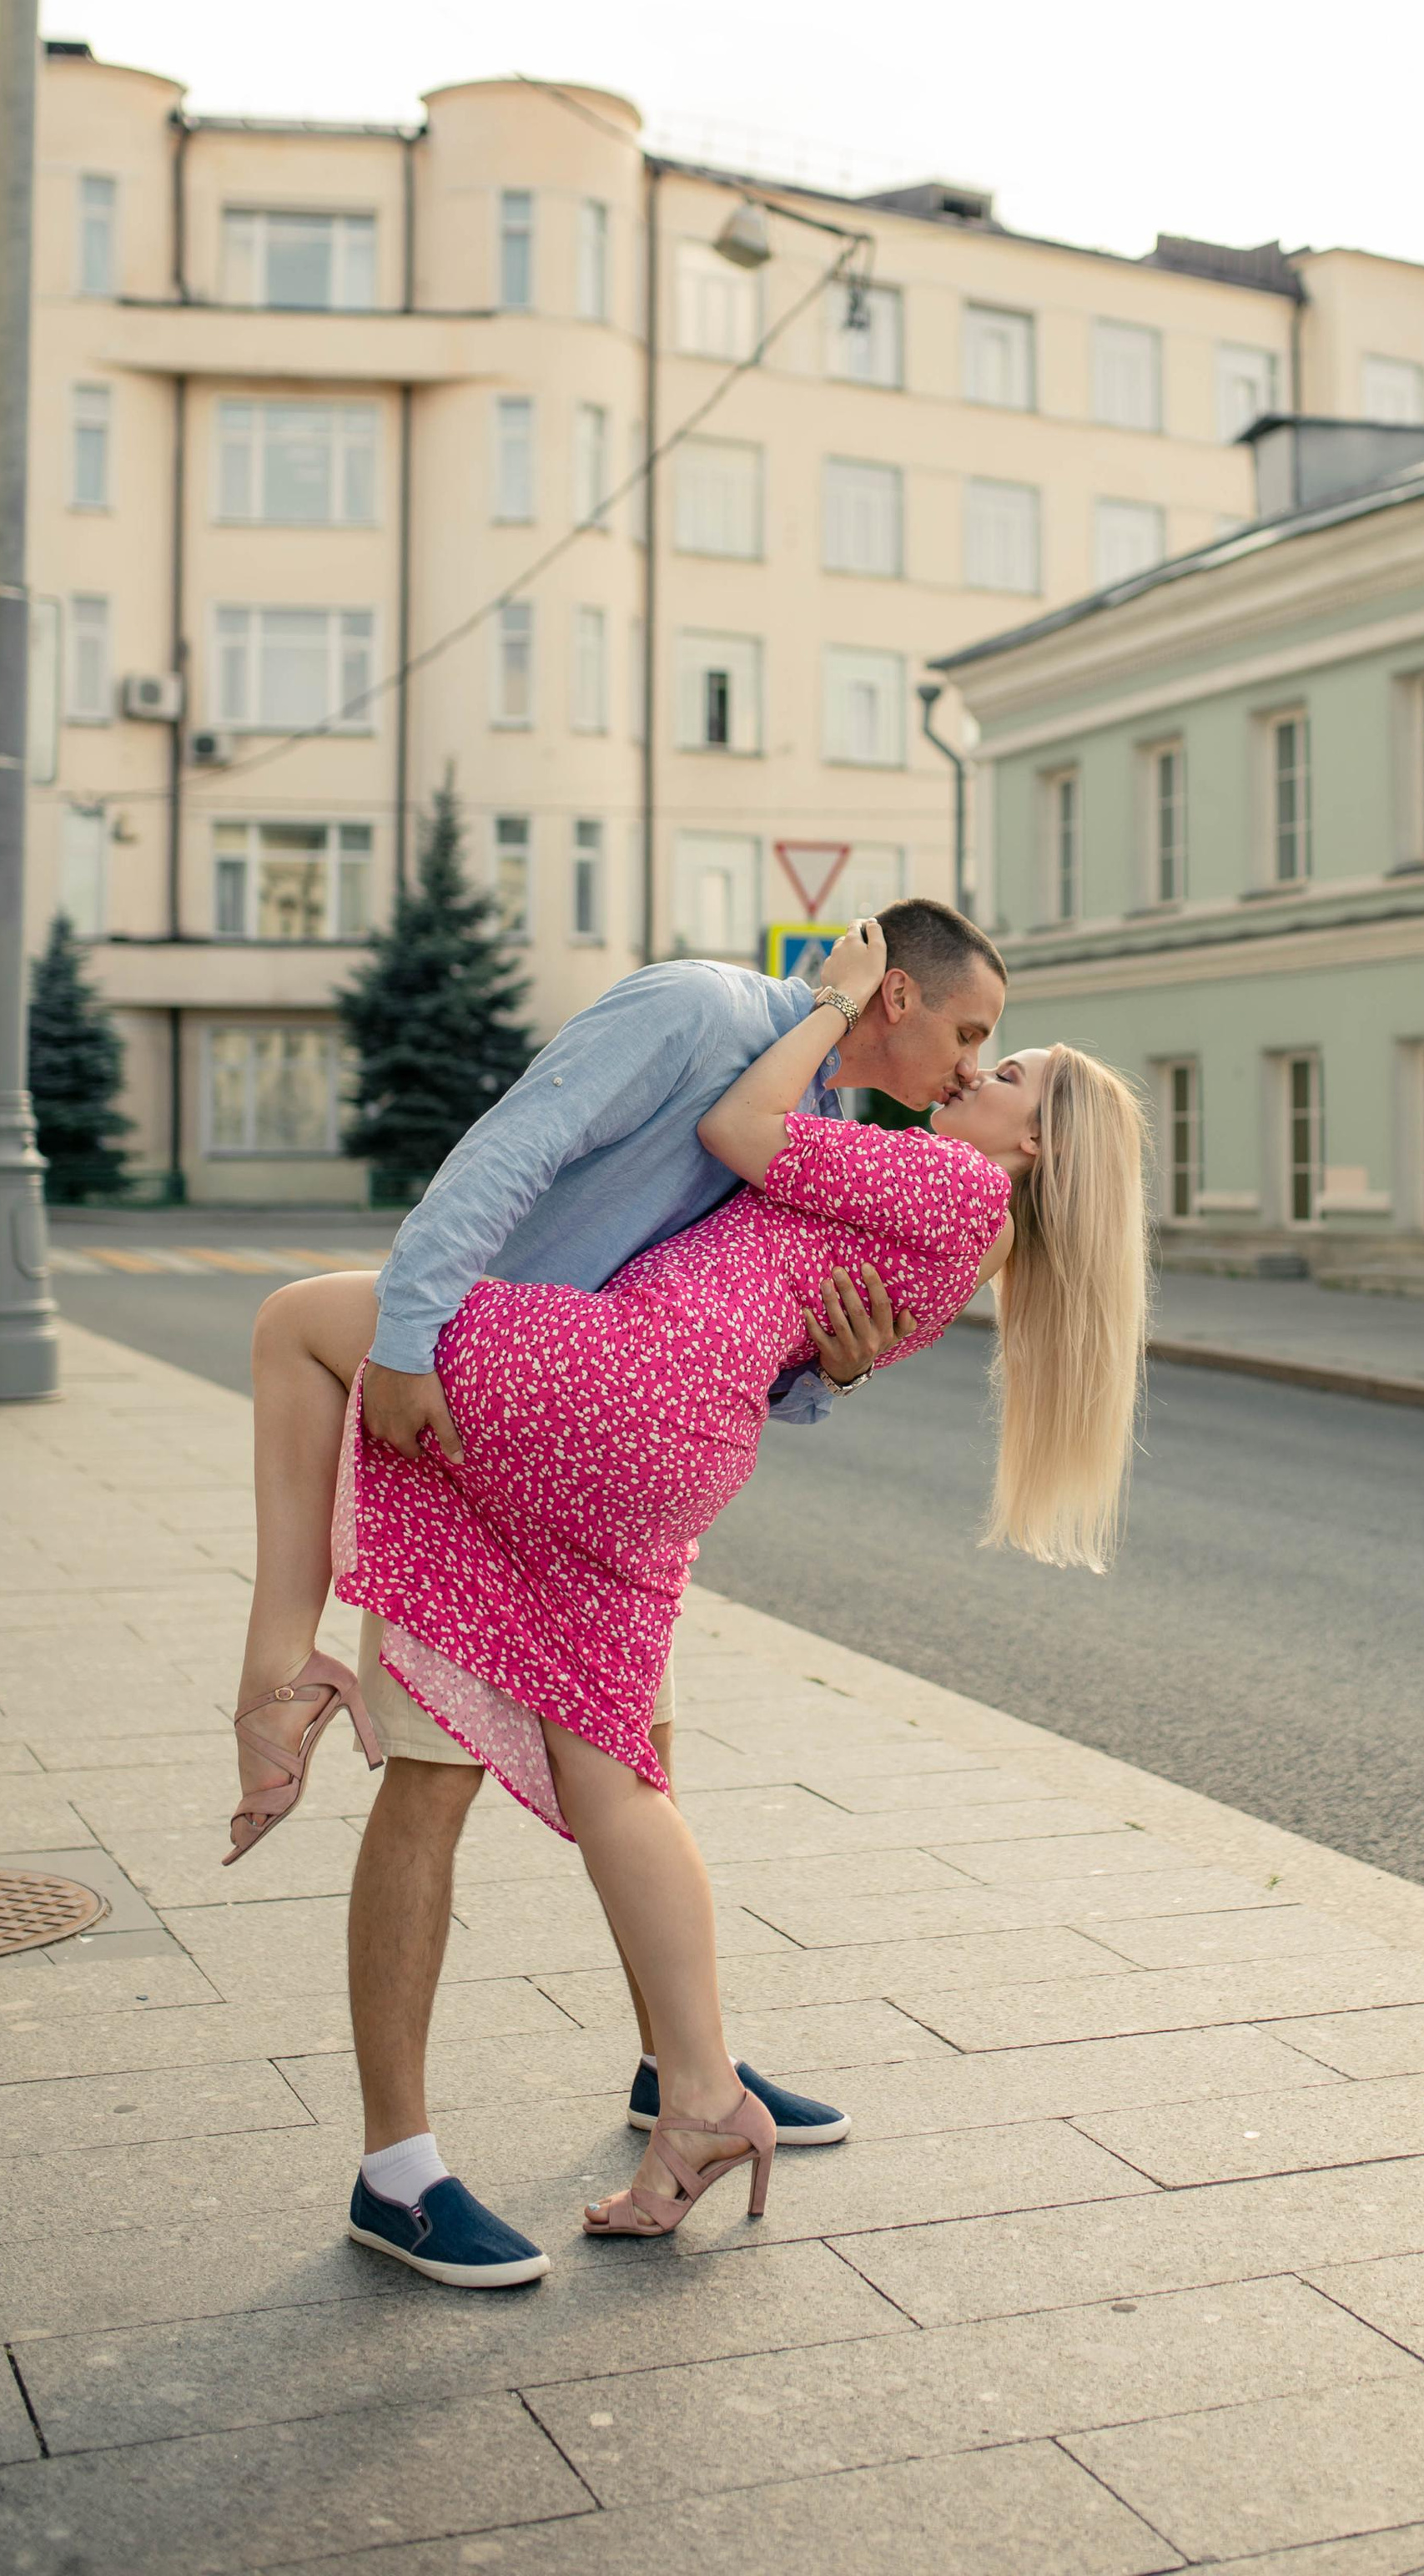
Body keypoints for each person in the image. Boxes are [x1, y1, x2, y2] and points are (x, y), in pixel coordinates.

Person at [225, 919, 1150, 2274]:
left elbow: (751, 1203)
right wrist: (419, 1336)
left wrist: (826, 1369)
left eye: (996, 1063)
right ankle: (627, 2107)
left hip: (580, 1404)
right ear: (902, 995)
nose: (971, 1069)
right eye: (972, 1039)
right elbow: (510, 1162)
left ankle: (277, 1677)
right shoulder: (708, 1021)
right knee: (580, 1772)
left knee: (295, 1325)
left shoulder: (893, 1143)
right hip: (600, 1428)